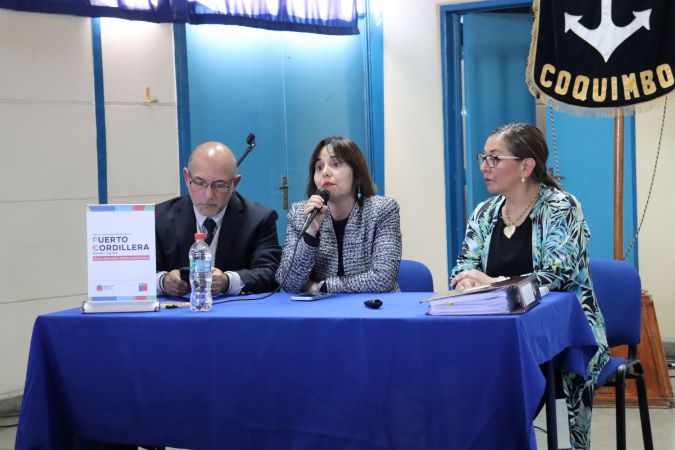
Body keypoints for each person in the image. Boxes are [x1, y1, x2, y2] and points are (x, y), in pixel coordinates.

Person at [450, 123, 609, 450]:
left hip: (563, 334)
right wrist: (467, 278)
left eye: (494, 159)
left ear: (525, 166)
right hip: (496, 331)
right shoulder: (484, 213)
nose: (483, 166)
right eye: (484, 157)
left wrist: (493, 282)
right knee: (457, 374)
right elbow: (464, 266)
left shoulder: (561, 207)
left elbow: (560, 274)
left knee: (507, 384)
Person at [275, 136, 402, 293]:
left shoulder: (382, 210)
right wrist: (310, 232)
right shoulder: (299, 213)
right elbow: (288, 283)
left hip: (376, 310)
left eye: (335, 164)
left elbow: (382, 280)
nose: (325, 172)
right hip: (322, 313)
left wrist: (320, 286)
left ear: (356, 174)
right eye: (319, 167)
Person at [155, 141, 281, 296]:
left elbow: (272, 274)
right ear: (187, 178)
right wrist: (162, 281)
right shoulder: (159, 217)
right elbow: (135, 273)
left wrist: (228, 281)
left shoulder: (259, 219)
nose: (208, 195)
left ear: (235, 183)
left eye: (219, 185)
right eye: (200, 183)